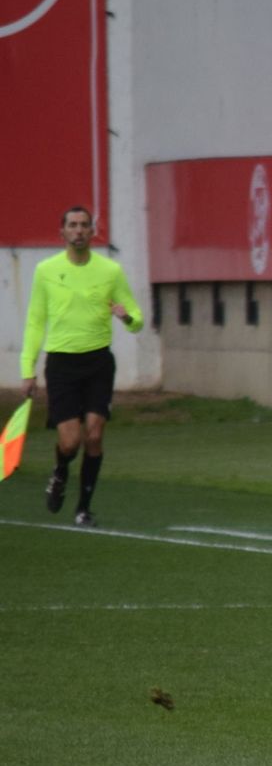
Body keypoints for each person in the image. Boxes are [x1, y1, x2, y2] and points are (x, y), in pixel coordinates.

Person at [19, 207, 144, 528]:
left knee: (95, 434)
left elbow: (136, 318)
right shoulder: (46, 270)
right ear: (62, 232)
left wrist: (127, 317)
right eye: (72, 225)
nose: (78, 230)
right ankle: (60, 471)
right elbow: (35, 321)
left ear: (92, 232)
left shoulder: (110, 271)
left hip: (98, 362)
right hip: (62, 364)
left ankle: (83, 509)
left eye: (84, 225)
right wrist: (27, 369)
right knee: (70, 441)